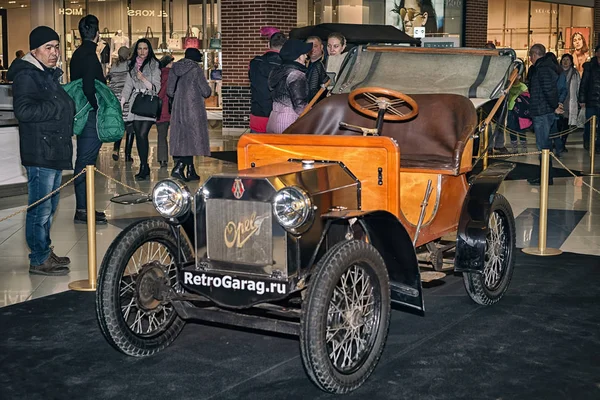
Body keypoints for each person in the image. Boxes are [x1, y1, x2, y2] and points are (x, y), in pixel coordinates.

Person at [7, 26, 74, 275]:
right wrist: (57, 109)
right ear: (34, 50)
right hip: (40, 152)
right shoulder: (27, 75)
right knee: (40, 207)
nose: (54, 52)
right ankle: (38, 258)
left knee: (50, 206)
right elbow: (23, 111)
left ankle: (44, 250)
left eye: (56, 47)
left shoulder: (46, 73)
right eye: (48, 47)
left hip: (52, 150)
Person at [70, 14, 108, 224]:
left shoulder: (77, 54)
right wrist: (98, 107)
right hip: (90, 114)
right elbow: (89, 87)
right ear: (96, 33)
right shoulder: (90, 55)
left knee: (86, 162)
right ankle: (83, 210)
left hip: (81, 112)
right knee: (85, 162)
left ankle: (85, 208)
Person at [167, 48, 212, 181]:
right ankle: (179, 167)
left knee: (184, 139)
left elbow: (169, 91)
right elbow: (206, 92)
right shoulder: (196, 69)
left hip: (178, 108)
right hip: (193, 108)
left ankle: (191, 170)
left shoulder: (174, 68)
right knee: (191, 138)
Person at [120, 38, 161, 180]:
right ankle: (144, 166)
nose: (142, 51)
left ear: (149, 50)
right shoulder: (131, 66)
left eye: (145, 48)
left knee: (142, 134)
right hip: (135, 103)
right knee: (138, 135)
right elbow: (127, 86)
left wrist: (143, 78)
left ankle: (145, 166)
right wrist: (122, 102)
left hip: (148, 101)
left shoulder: (154, 65)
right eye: (139, 48)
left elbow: (156, 87)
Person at [527, 43, 559, 186]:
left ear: (534, 55)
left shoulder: (543, 69)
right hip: (542, 110)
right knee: (544, 145)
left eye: (530, 56)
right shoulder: (542, 67)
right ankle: (545, 176)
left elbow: (549, 90)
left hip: (542, 112)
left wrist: (554, 106)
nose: (530, 59)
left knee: (543, 146)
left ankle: (546, 177)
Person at [266, 39, 312, 134]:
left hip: (273, 118)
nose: (306, 56)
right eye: (304, 54)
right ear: (298, 57)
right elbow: (300, 106)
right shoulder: (296, 74)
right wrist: (314, 113)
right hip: (288, 121)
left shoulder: (276, 71)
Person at [248, 32, 286, 133]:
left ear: (268, 45)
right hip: (279, 119)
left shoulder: (254, 63)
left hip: (257, 116)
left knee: (256, 148)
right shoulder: (286, 66)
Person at [107, 46, 134, 162]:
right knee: (130, 128)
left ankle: (116, 149)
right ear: (128, 55)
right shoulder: (130, 66)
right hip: (128, 99)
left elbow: (111, 84)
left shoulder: (114, 66)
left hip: (117, 100)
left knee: (120, 126)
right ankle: (128, 154)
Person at [578, 44, 600, 153]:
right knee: (588, 124)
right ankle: (587, 142)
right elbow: (584, 83)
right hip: (591, 101)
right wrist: (582, 99)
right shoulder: (590, 66)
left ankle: (598, 144)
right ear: (596, 53)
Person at [558, 54, 580, 152]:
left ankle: (563, 143)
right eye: (564, 60)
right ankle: (557, 143)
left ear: (571, 62)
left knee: (566, 124)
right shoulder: (557, 71)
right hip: (559, 101)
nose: (565, 62)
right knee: (558, 124)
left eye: (567, 60)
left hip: (569, 101)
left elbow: (578, 87)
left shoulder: (575, 73)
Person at [156, 55, 174, 168]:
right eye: (172, 63)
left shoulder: (157, 75)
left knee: (161, 136)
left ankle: (163, 160)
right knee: (175, 136)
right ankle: (177, 158)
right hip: (172, 109)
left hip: (160, 110)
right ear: (168, 64)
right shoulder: (173, 76)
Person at [305, 36, 328, 102]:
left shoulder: (326, 64)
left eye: (315, 46)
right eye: (309, 46)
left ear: (321, 47)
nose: (312, 49)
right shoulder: (303, 63)